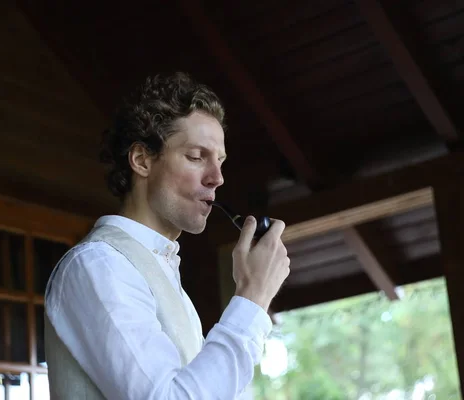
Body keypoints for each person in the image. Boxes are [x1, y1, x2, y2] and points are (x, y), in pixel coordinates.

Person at [44, 72, 291, 399]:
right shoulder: (98, 265)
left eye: (220, 161)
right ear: (142, 160)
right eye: (196, 157)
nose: (217, 178)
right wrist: (252, 297)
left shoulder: (161, 273)